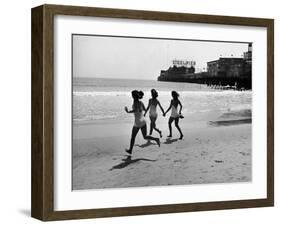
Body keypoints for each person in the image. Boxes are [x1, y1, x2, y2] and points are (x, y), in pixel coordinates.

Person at [125, 90, 160, 155]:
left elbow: (135, 110)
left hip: (137, 122)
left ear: (134, 96)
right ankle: (156, 139)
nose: (131, 96)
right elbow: (145, 109)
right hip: (143, 121)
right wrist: (140, 110)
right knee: (145, 136)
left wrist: (128, 111)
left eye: (132, 95)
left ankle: (130, 150)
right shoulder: (141, 102)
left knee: (133, 137)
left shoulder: (135, 102)